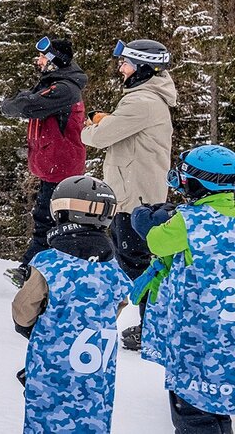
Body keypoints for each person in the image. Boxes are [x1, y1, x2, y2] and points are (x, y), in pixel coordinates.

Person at [125, 143, 235, 432]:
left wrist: (145, 218)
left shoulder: (189, 222)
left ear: (198, 184)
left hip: (200, 339)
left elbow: (155, 241)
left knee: (196, 411)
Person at [10, 175, 128, 434]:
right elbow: (120, 301)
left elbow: (24, 308)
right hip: (97, 363)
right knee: (93, 410)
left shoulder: (49, 263)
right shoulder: (112, 266)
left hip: (54, 359)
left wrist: (28, 327)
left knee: (48, 413)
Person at [83, 39, 175, 347]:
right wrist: (106, 120)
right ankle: (151, 324)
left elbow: (99, 138)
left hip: (135, 198)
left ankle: (154, 328)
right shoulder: (146, 99)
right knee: (137, 262)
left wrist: (88, 127)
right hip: (138, 194)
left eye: (125, 63)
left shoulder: (142, 102)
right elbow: (123, 129)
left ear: (142, 68)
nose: (121, 69)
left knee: (138, 264)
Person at [0, 36, 89, 288]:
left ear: (54, 61)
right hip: (54, 167)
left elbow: (27, 105)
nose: (37, 61)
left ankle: (32, 271)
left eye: (42, 57)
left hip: (61, 169)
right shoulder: (57, 84)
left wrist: (13, 103)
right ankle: (37, 271)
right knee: (48, 220)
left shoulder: (64, 89)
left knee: (49, 222)